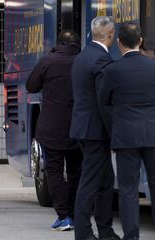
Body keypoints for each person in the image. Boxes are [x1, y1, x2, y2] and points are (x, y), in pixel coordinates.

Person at [98, 23, 155, 240]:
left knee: (128, 190)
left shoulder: (113, 70)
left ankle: (131, 236)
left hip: (125, 137)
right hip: (152, 135)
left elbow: (103, 101)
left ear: (119, 42)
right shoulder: (153, 67)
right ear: (140, 41)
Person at [26, 30, 82, 231]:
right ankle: (75, 213)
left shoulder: (47, 61)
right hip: (78, 127)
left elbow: (31, 86)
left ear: (59, 43)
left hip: (52, 128)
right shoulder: (83, 61)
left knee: (54, 171)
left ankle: (63, 216)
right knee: (76, 171)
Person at [70, 16, 120, 240]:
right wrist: (114, 132)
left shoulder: (82, 56)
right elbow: (104, 101)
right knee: (90, 183)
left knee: (106, 180)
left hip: (83, 127)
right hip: (95, 131)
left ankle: (106, 230)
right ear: (110, 35)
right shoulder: (102, 60)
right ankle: (83, 233)